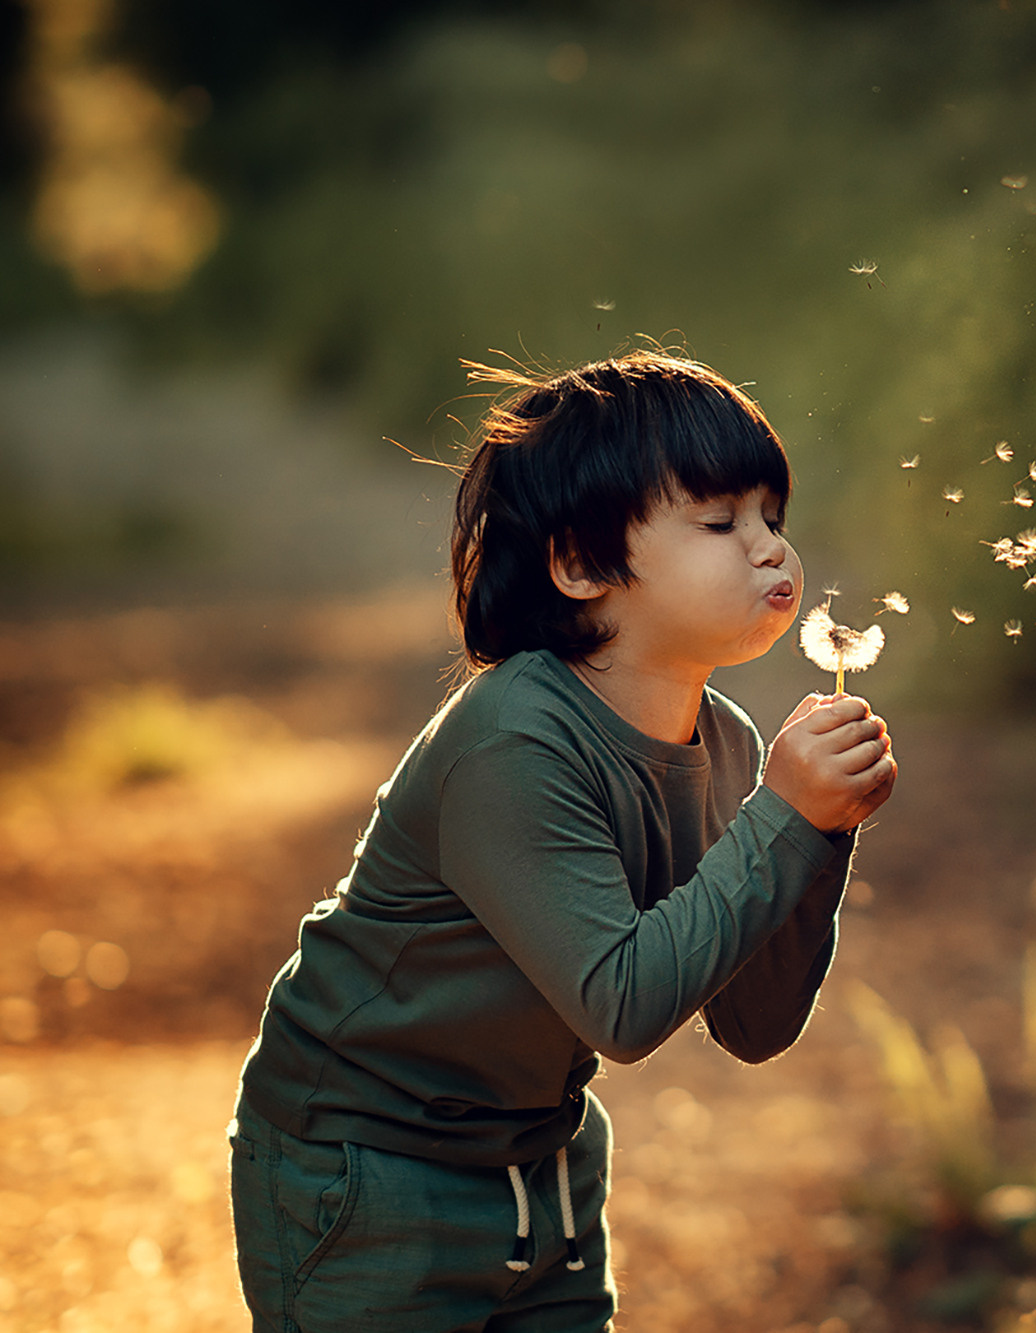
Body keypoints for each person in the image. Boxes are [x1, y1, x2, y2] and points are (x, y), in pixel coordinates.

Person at [227, 349, 896, 1331]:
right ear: (582, 565)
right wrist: (783, 816)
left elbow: (755, 1026)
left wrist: (820, 832)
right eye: (719, 521)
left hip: (540, 1166)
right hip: (365, 1163)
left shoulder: (727, 743)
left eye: (771, 517)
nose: (769, 551)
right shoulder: (510, 741)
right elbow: (620, 1007)